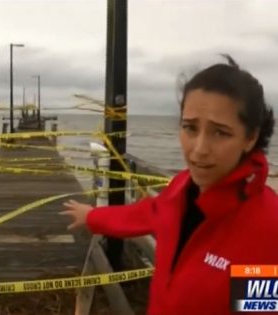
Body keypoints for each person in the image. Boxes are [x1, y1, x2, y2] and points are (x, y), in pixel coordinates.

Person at [60, 55, 278, 315]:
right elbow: (146, 213)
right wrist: (93, 216)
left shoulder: (266, 230)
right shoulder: (181, 188)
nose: (199, 150)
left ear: (250, 137)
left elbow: (259, 310)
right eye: (190, 128)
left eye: (220, 132)